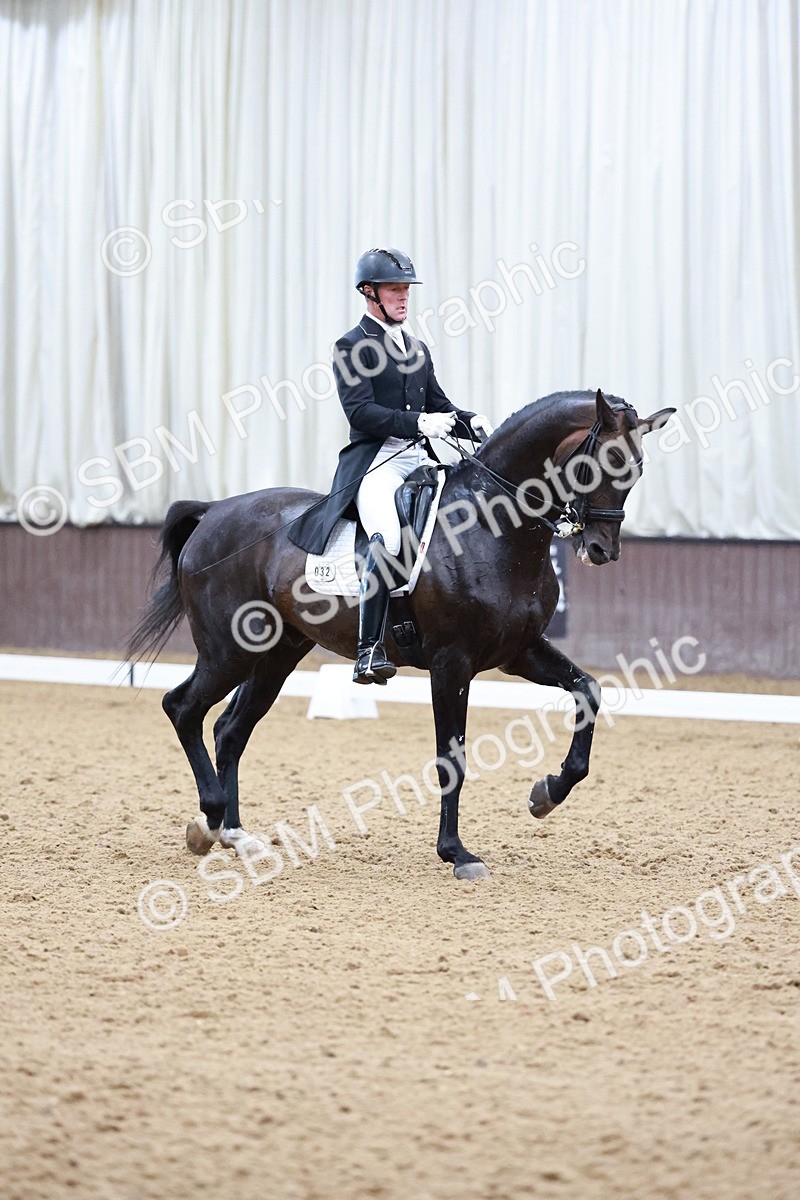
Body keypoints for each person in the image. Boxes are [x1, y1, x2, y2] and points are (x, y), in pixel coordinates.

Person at [288, 247, 493, 684]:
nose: (403, 297)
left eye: (406, 290)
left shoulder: (415, 347)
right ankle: (369, 650)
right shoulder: (351, 346)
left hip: (420, 459)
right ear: (370, 292)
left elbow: (438, 403)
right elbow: (360, 412)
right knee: (388, 539)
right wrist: (420, 421)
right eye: (395, 289)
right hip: (376, 462)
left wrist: (467, 420)